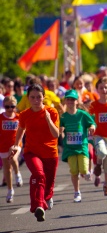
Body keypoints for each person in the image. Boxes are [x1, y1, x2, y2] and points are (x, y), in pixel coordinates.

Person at [9, 84, 60, 222]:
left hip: (50, 153)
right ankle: (38, 206)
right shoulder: (25, 114)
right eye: (32, 97)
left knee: (48, 184)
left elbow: (56, 134)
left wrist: (48, 119)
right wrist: (15, 145)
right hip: (32, 152)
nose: (36, 100)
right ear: (28, 98)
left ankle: (46, 198)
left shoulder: (52, 112)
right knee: (38, 174)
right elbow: (21, 129)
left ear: (44, 97)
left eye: (39, 97)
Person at [59, 89, 96, 202]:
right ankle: (76, 192)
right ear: (65, 101)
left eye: (73, 100)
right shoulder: (63, 117)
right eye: (68, 99)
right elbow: (60, 128)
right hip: (70, 148)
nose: (70, 102)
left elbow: (92, 123)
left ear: (77, 101)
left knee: (84, 170)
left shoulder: (82, 114)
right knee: (74, 171)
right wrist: (61, 131)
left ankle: (88, 171)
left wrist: (92, 127)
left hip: (81, 146)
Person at [1, 96, 22, 203]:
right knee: (7, 169)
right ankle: (10, 191)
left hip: (16, 144)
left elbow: (24, 130)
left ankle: (18, 174)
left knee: (13, 158)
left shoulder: (19, 117)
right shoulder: (1, 118)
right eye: (7, 106)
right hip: (3, 146)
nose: (10, 109)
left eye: (12, 106)